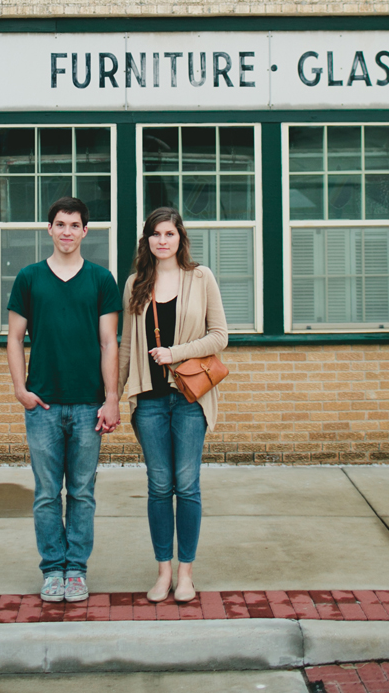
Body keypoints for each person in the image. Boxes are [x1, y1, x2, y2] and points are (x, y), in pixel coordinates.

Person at [7, 196, 121, 603]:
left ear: (85, 231)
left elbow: (109, 342)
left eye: (75, 225)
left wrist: (112, 399)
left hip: (89, 403)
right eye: (60, 224)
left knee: (83, 493)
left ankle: (77, 570)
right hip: (44, 406)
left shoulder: (101, 280)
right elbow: (15, 338)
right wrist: (21, 389)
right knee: (45, 493)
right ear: (49, 229)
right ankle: (52, 568)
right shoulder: (30, 278)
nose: (67, 231)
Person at [119, 207, 228, 604]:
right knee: (159, 486)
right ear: (146, 240)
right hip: (148, 401)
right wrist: (113, 397)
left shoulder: (201, 278)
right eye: (155, 234)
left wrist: (175, 353)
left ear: (180, 238)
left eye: (170, 233)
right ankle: (163, 572)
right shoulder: (136, 283)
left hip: (188, 398)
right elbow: (127, 347)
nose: (162, 240)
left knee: (188, 485)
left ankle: (186, 575)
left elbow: (220, 336)